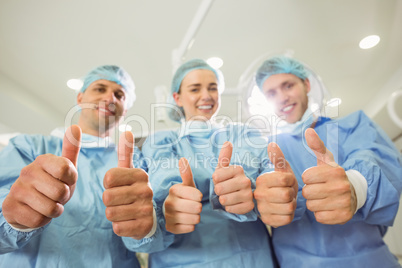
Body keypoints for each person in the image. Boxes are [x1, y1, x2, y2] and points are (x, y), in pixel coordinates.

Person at [0, 65, 156, 267]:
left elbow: (153, 240)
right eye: (100, 89)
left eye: (119, 95)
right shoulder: (28, 148)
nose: (110, 99)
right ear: (80, 98)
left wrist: (146, 226)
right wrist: (15, 220)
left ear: (125, 110)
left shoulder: (137, 166)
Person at [254, 55, 402, 267]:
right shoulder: (267, 148)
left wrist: (356, 186)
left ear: (306, 84)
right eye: (271, 93)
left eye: (288, 86)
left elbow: (376, 159)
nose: (282, 98)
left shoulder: (351, 126)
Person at [134, 59, 282, 267]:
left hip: (251, 257)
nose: (206, 96)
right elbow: (157, 203)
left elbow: (268, 177)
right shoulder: (161, 142)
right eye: (195, 89)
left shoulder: (241, 134)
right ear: (177, 97)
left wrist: (249, 189)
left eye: (213, 88)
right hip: (183, 259)